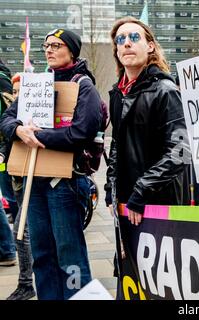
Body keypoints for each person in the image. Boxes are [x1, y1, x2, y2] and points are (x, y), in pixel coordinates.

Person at [0, 28, 102, 299]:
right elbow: (8, 118)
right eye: (46, 45)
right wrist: (19, 131)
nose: (49, 50)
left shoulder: (84, 86)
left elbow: (81, 132)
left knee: (70, 256)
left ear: (71, 50)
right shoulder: (38, 83)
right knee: (42, 254)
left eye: (56, 45)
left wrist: (40, 136)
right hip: (35, 182)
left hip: (66, 184)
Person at [105, 17, 189, 228]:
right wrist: (111, 188)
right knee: (127, 261)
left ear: (150, 46)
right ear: (116, 50)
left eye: (134, 37)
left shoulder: (165, 90)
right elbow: (117, 144)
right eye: (120, 39)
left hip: (158, 201)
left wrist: (143, 189)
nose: (126, 43)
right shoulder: (117, 93)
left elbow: (181, 151)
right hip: (126, 200)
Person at [0, 72, 36, 300]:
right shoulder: (11, 114)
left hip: (40, 180)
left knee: (21, 232)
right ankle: (27, 282)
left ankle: (26, 282)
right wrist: (3, 155)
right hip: (18, 178)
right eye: (14, 91)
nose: (16, 95)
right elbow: (7, 139)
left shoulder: (37, 113)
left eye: (21, 90)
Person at [0, 58, 16, 268]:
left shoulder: (2, 82)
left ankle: (9, 248)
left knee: (12, 197)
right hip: (5, 150)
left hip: (4, 152)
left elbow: (6, 118)